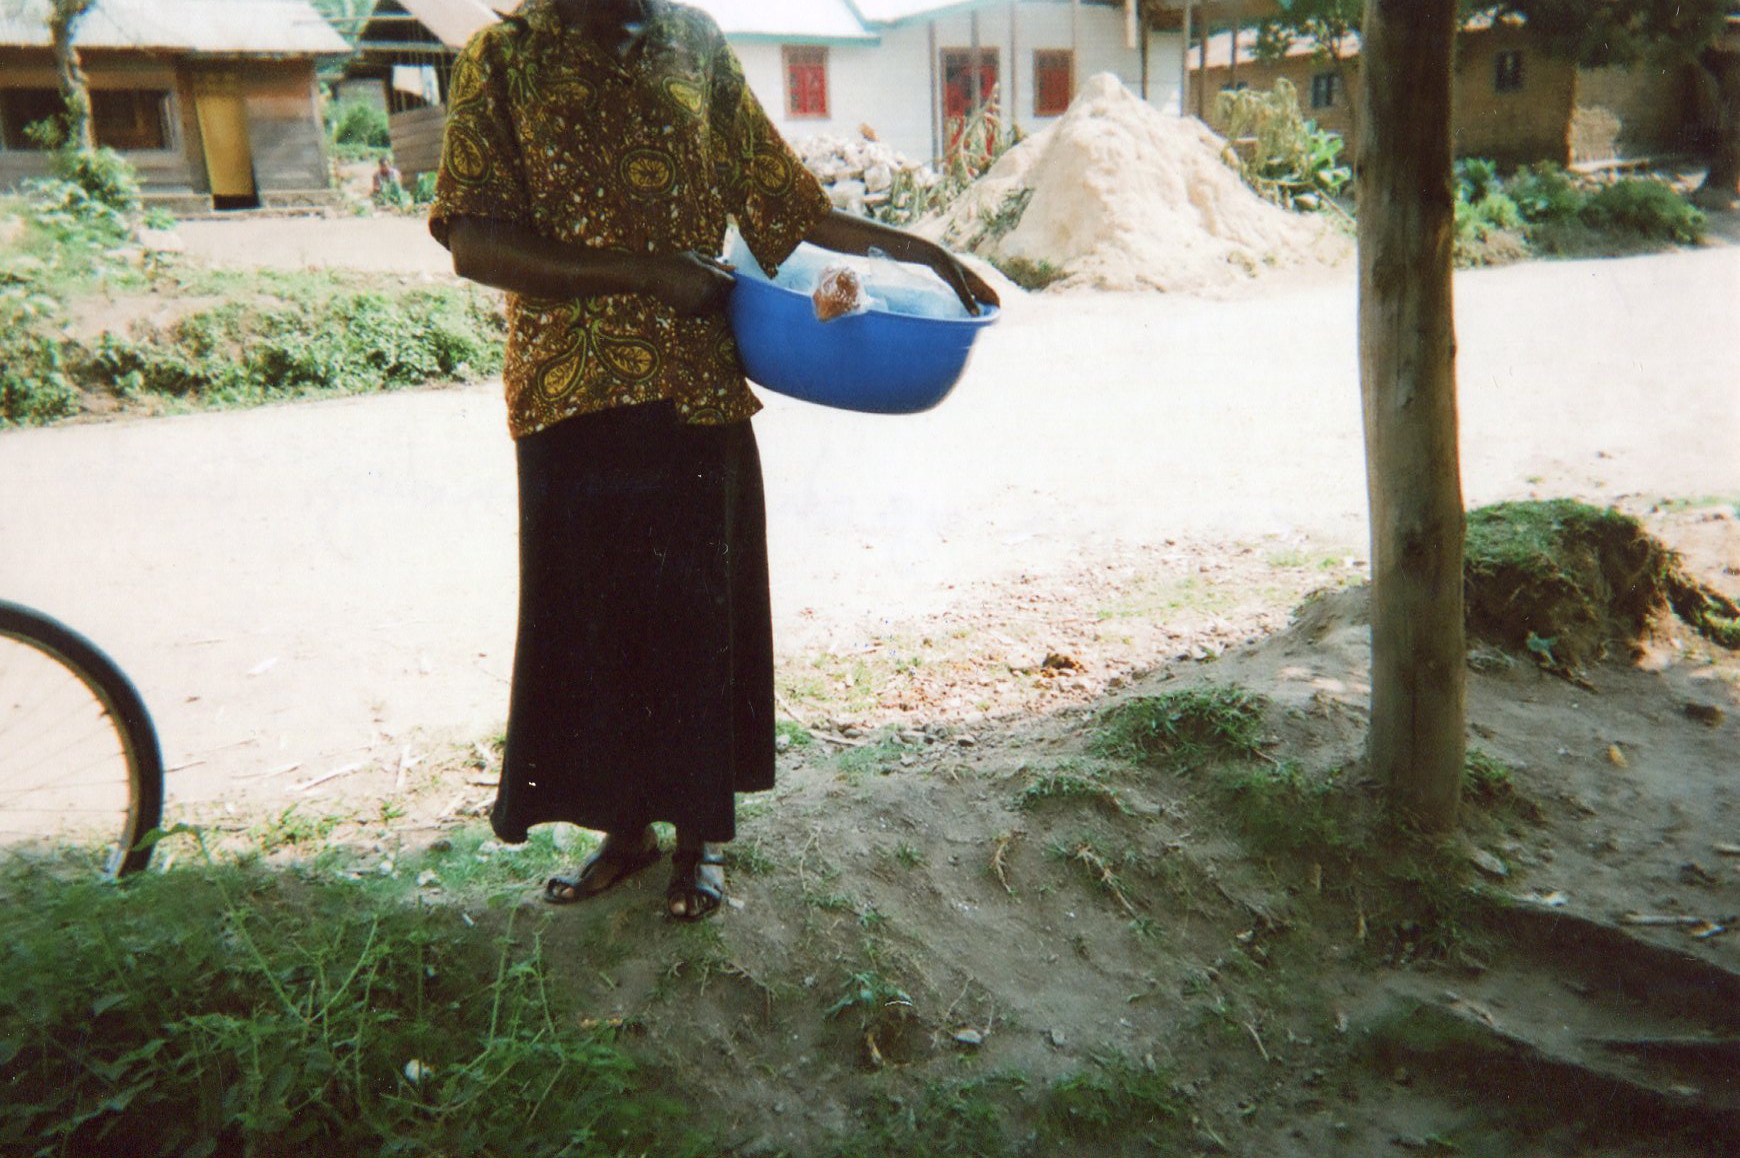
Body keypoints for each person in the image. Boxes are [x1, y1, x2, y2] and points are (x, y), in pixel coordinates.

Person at [429, 0, 997, 920]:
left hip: (695, 387)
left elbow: (786, 209)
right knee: (598, 619)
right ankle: (624, 832)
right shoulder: (502, 59)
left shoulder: (693, 41)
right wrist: (646, 270)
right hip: (568, 388)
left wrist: (918, 250)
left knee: (696, 618)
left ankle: (698, 842)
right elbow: (476, 240)